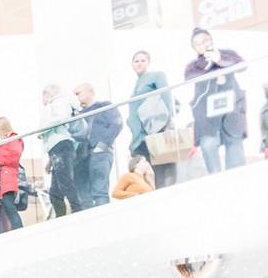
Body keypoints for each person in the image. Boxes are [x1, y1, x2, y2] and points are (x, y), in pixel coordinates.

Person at [183, 27, 248, 175]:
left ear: (211, 39)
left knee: (235, 152)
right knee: (208, 147)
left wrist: (219, 59)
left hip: (232, 114)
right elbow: (189, 77)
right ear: (194, 47)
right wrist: (211, 70)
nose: (201, 45)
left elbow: (243, 66)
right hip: (207, 118)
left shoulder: (227, 55)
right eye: (197, 44)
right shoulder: (193, 66)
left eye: (204, 41)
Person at [125, 50, 177, 188]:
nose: (139, 63)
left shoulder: (156, 75)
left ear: (148, 62)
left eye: (143, 60)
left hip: (156, 129)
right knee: (151, 171)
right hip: (141, 136)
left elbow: (166, 95)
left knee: (164, 166)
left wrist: (166, 122)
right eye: (136, 61)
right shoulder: (136, 85)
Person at [70, 82, 123, 209]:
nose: (76, 97)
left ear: (91, 91)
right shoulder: (76, 114)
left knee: (100, 191)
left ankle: (103, 223)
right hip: (80, 156)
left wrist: (102, 146)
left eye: (78, 93)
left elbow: (116, 124)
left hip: (98, 152)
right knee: (83, 196)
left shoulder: (104, 106)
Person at [40, 83, 83, 215]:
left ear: (47, 95)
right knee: (55, 190)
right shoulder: (58, 103)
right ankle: (61, 216)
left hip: (60, 145)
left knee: (65, 180)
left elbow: (61, 117)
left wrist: (42, 129)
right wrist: (50, 161)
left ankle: (77, 209)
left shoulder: (57, 102)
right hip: (57, 147)